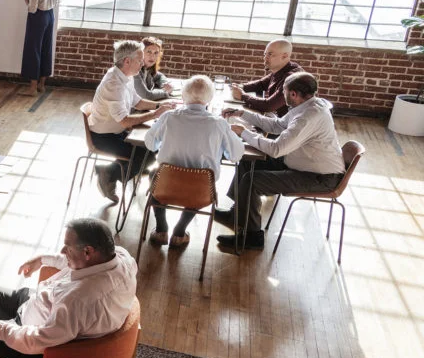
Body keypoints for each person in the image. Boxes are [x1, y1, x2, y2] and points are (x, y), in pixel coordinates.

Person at [0, 218, 137, 358]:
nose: (62, 251)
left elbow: (38, 341)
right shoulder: (122, 259)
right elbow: (76, 263)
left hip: (38, 350)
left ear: (88, 251)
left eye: (67, 247)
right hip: (42, 307)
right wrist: (43, 259)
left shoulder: (77, 300)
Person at [217, 72, 345, 250]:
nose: (282, 95)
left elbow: (276, 150)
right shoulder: (308, 106)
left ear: (293, 94)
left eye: (283, 91)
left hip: (319, 177)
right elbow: (277, 125)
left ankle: (252, 237)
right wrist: (242, 113)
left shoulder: (307, 117)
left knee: (252, 181)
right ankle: (236, 214)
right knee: (248, 162)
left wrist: (243, 132)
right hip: (303, 163)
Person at [143, 75, 244, 248]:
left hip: (165, 186)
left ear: (183, 97)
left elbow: (150, 144)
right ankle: (180, 231)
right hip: (200, 191)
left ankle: (161, 229)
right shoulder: (219, 123)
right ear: (210, 99)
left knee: (154, 175)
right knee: (200, 181)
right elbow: (235, 155)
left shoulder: (168, 117)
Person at [90, 40, 175, 204]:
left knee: (151, 148)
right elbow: (125, 121)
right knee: (147, 154)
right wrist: (155, 114)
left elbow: (138, 102)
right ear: (127, 61)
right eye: (139, 60)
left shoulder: (125, 76)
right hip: (103, 136)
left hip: (114, 131)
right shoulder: (114, 84)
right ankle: (109, 173)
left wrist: (159, 105)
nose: (143, 63)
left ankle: (111, 173)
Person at [21, 0, 59, 95]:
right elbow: (55, 2)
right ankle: (42, 85)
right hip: (50, 16)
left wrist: (27, 0)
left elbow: (32, 8)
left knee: (33, 50)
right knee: (46, 48)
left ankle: (32, 88)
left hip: (38, 17)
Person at [230, 39, 302, 116]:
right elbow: (261, 84)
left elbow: (269, 105)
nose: (265, 58)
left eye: (270, 54)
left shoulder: (292, 78)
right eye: (265, 54)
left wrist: (242, 96)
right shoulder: (281, 69)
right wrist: (241, 87)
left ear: (284, 56)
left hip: (287, 125)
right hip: (278, 120)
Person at [133, 36, 175, 101]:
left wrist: (164, 84)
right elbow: (146, 96)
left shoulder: (148, 69)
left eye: (156, 53)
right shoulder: (134, 70)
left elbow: (159, 76)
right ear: (141, 52)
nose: (152, 56)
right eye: (149, 52)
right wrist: (165, 91)